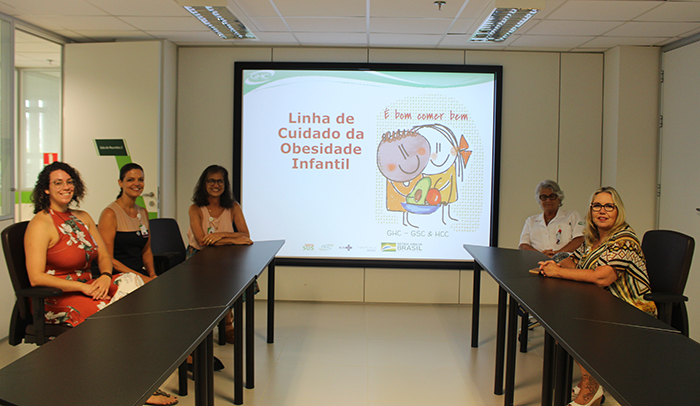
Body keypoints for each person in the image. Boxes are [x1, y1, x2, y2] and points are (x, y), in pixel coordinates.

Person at [538, 186, 656, 406]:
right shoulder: (595, 238)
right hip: (603, 303)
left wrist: (559, 273)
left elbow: (602, 277)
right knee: (562, 317)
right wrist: (554, 265)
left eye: (609, 206)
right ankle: (589, 381)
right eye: (597, 206)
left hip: (632, 310)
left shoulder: (624, 240)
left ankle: (591, 391)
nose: (602, 211)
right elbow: (574, 260)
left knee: (574, 324)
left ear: (618, 210)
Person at [187, 165, 253, 343]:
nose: (216, 185)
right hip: (199, 258)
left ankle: (227, 324)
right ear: (204, 183)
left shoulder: (233, 207)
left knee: (232, 280)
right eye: (211, 181)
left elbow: (245, 235)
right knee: (210, 286)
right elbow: (202, 240)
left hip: (225, 257)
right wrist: (234, 239)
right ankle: (206, 327)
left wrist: (220, 235)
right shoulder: (195, 208)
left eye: (220, 181)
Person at [98, 163, 157, 283]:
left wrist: (153, 275)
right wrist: (141, 278)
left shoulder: (143, 212)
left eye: (141, 180)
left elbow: (146, 251)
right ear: (120, 183)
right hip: (118, 275)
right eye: (130, 180)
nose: (137, 184)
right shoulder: (110, 214)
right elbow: (108, 259)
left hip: (139, 274)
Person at [519, 179, 584, 260]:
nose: (548, 200)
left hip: (566, 263)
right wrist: (541, 256)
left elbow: (580, 239)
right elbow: (523, 245)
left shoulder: (572, 216)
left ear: (559, 198)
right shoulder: (530, 221)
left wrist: (557, 255)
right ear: (539, 200)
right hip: (537, 262)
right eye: (544, 197)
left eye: (552, 196)